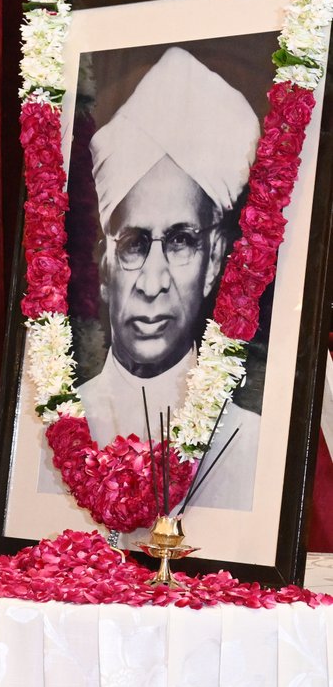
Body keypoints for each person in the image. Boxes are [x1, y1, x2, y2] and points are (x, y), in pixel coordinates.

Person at [82, 46, 263, 510]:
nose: (152, 282)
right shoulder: (53, 428)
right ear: (104, 265)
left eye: (181, 240)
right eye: (134, 245)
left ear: (215, 258)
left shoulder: (252, 445)